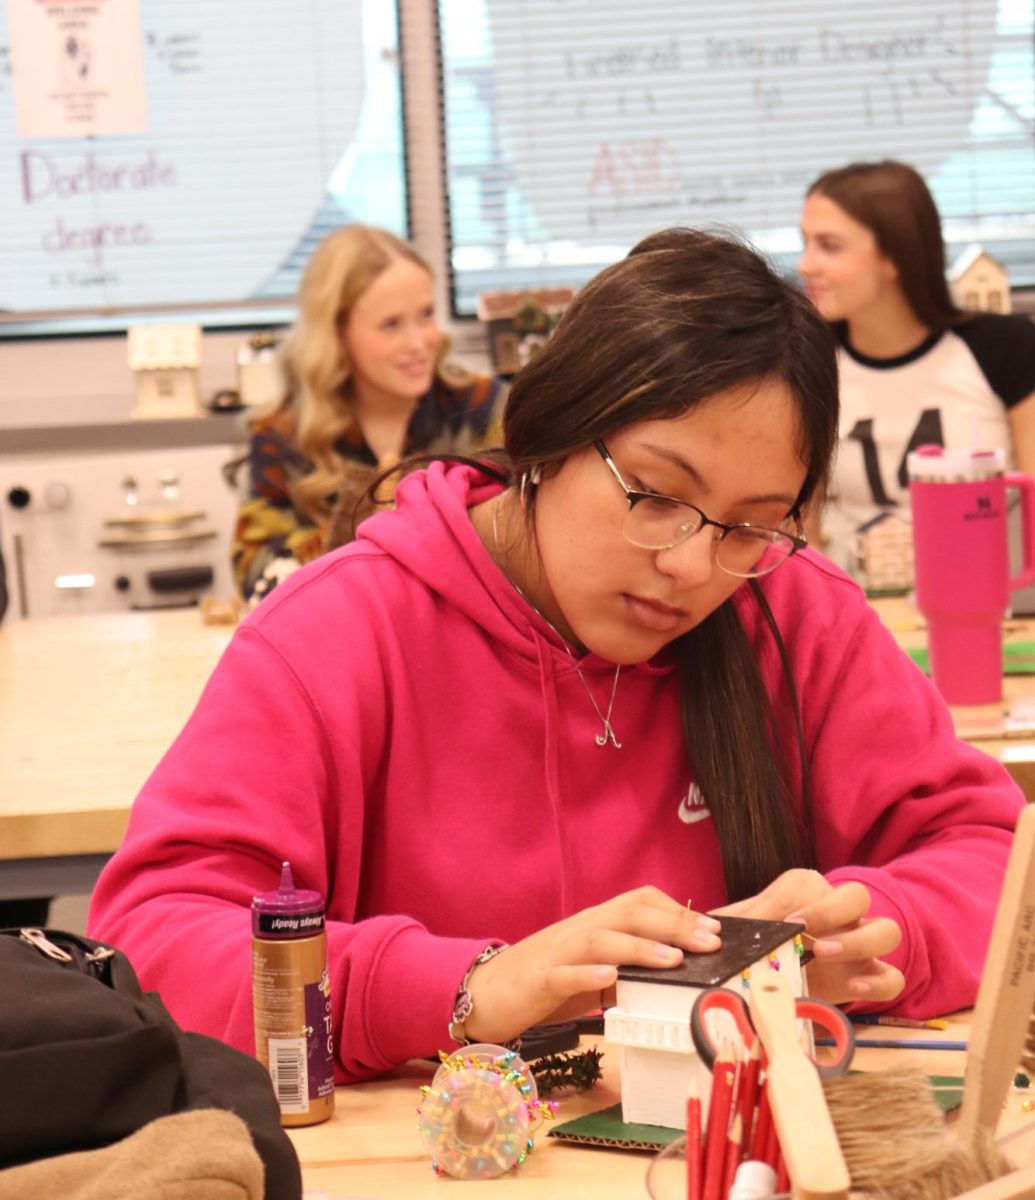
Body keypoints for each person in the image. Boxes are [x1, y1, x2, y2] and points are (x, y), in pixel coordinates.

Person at [88, 228, 1023, 1085]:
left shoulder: (791, 610)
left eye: (750, 525)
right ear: (546, 433)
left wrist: (872, 928)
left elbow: (992, 856)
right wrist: (462, 989)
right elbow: (153, 944)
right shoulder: (340, 632)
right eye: (654, 495)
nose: (692, 566)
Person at [231, 224, 505, 599]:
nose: (418, 343)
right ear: (337, 334)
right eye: (390, 325)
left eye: (425, 315)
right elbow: (255, 570)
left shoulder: (482, 407)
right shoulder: (283, 434)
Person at [798, 159, 1035, 581]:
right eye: (805, 244)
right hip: (861, 609)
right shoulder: (807, 362)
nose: (805, 265)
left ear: (895, 256)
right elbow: (801, 529)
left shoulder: (1007, 347)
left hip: (992, 604)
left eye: (829, 246)